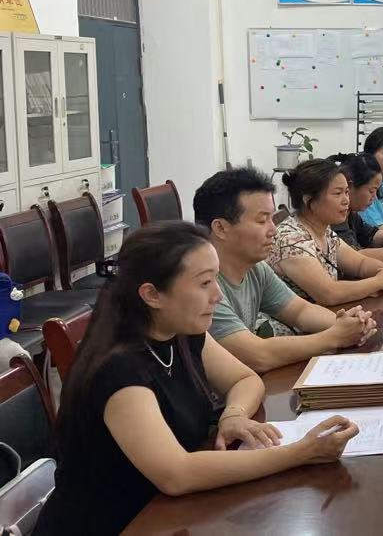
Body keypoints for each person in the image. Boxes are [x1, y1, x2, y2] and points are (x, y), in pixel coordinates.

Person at [33, 222, 358, 536]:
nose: (217, 294)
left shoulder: (180, 331)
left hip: (170, 513)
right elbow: (176, 474)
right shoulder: (118, 369)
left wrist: (234, 416)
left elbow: (245, 379)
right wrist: (300, 453)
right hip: (120, 524)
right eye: (204, 283)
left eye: (215, 279)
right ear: (152, 295)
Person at [193, 167, 377, 373]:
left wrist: (348, 324)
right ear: (220, 228)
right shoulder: (200, 287)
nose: (273, 230)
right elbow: (257, 356)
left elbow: (299, 311)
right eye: (261, 220)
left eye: (271, 219)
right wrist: (335, 336)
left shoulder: (256, 268)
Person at [268, 159, 383, 305]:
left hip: (327, 316)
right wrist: (379, 282)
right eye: (338, 193)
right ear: (309, 200)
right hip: (301, 320)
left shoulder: (324, 231)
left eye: (346, 192)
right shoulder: (291, 239)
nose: (346, 200)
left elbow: (360, 264)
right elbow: (329, 294)